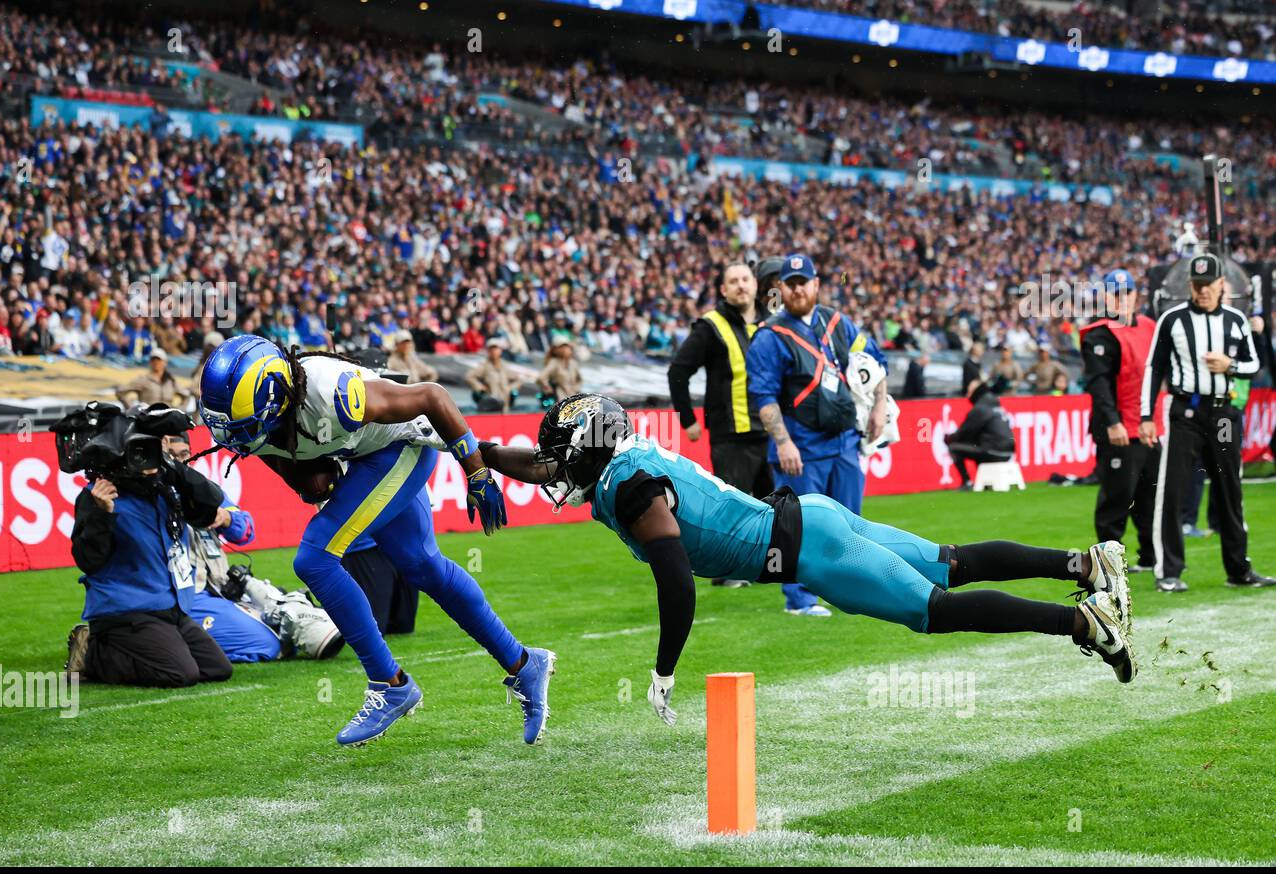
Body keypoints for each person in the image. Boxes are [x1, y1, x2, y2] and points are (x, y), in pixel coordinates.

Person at [480, 394, 1135, 724]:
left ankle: (1085, 625)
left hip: (808, 548)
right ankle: (1086, 566)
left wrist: (664, 670)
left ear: (588, 452)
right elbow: (539, 465)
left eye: (566, 455)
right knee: (949, 563)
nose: (556, 468)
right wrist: (470, 448)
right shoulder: (620, 463)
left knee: (938, 609)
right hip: (809, 519)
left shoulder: (632, 490)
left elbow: (677, 583)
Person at [197, 335, 555, 745]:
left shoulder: (333, 393)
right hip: (368, 454)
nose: (237, 438)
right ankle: (525, 664)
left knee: (314, 558)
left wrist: (476, 472)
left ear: (276, 397)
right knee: (424, 566)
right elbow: (316, 483)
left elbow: (432, 396)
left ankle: (390, 684)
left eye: (243, 425)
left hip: (401, 444)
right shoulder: (271, 414)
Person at [746, 253, 888, 617]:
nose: (797, 290)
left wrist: (879, 405)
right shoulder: (770, 336)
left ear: (816, 285)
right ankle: (800, 599)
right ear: (780, 288)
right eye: (789, 284)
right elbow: (763, 396)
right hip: (801, 444)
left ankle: (847, 589)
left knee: (849, 524)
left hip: (843, 441)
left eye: (803, 282)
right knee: (800, 527)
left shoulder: (838, 322)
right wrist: (783, 441)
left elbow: (874, 361)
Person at [66, 407, 234, 688]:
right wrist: (101, 515)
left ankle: (142, 646)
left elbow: (208, 507)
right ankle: (94, 653)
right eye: (141, 450)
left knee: (218, 668)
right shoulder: (96, 497)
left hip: (170, 607)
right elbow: (87, 560)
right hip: (125, 612)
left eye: (153, 450)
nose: (149, 459)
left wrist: (174, 467)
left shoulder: (163, 488)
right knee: (181, 674)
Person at [1140, 253, 1275, 592]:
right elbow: (1154, 368)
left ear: (1221, 285)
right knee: (1173, 489)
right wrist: (1146, 416)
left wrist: (1229, 365)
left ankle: (1239, 569)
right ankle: (1168, 571)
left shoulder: (1235, 320)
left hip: (1223, 414)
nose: (1202, 292)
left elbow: (1253, 365)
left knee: (1230, 488)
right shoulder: (1171, 320)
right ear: (1191, 285)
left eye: (1208, 286)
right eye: (1197, 286)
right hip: (1185, 412)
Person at [165, 433, 344, 662]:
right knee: (269, 644)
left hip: (223, 589)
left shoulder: (202, 487)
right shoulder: (153, 496)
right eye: (170, 456)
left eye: (183, 455)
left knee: (291, 613)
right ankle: (185, 645)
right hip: (188, 596)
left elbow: (245, 531)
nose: (179, 462)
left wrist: (225, 519)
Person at [667, 260, 773, 586]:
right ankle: (725, 572)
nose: (741, 285)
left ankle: (770, 566)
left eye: (746, 279)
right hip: (731, 434)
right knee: (732, 507)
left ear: (756, 285)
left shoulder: (772, 324)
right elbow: (678, 371)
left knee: (775, 507)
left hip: (772, 431)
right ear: (724, 290)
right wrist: (688, 419)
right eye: (734, 281)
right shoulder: (711, 326)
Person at [1079, 269, 1159, 574]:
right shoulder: (1100, 334)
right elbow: (1098, 384)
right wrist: (1113, 422)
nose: (1122, 299)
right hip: (1119, 429)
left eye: (1126, 293)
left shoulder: (1150, 327)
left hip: (1148, 426)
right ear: (1105, 297)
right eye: (1116, 293)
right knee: (1117, 496)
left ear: (1135, 295)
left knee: (1150, 496)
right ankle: (1108, 563)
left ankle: (1151, 557)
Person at [945, 379, 1016, 490]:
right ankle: (985, 482)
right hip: (1009, 452)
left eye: (968, 392)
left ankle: (967, 482)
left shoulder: (980, 408)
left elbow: (964, 433)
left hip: (993, 451)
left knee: (954, 447)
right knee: (977, 446)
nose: (967, 396)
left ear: (975, 392)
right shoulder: (995, 404)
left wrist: (949, 438)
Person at [117, 348, 190, 408]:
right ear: (150, 362)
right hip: (149, 418)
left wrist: (180, 410)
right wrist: (131, 409)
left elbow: (186, 395)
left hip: (168, 418)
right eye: (153, 359)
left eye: (159, 360)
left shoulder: (171, 381)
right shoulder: (143, 380)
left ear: (165, 362)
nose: (156, 362)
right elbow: (120, 391)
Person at [465, 337, 518, 412]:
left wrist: (510, 388)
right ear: (488, 351)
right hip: (491, 406)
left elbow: (518, 379)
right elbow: (469, 376)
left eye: (496, 349)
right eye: (491, 349)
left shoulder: (504, 366)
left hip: (505, 405)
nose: (494, 351)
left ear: (500, 351)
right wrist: (480, 387)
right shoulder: (484, 366)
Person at [537, 339, 582, 405]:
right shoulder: (554, 362)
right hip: (560, 394)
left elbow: (579, 379)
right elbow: (541, 378)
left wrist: (576, 387)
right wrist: (548, 389)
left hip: (574, 393)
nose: (568, 349)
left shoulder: (573, 363)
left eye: (569, 347)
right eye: (565, 347)